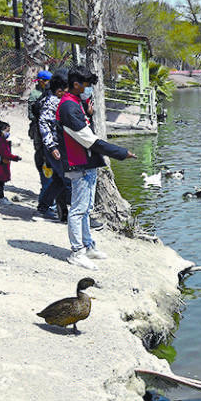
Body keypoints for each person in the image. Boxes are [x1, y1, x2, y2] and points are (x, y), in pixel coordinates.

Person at [57, 65, 136, 270]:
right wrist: (120, 153)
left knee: (86, 209)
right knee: (78, 209)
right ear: (75, 85)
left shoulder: (76, 103)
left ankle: (88, 245)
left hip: (88, 163)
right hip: (78, 164)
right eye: (86, 85)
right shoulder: (68, 107)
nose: (89, 89)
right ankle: (77, 252)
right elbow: (89, 140)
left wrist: (89, 114)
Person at [34, 71, 70, 221]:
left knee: (58, 180)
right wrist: (51, 146)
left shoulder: (47, 97)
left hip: (51, 147)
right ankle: (79, 214)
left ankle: (44, 206)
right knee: (69, 180)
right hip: (54, 148)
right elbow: (43, 123)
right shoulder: (52, 101)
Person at [28, 70, 53, 192]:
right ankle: (45, 189)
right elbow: (32, 116)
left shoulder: (53, 92)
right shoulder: (35, 94)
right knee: (43, 158)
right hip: (39, 131)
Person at [0, 119, 22, 200]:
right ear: (0, 130)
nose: (8, 133)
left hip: (1, 164)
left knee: (0, 182)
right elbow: (5, 153)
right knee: (0, 182)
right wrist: (15, 158)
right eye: (6, 131)